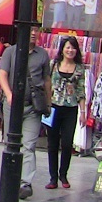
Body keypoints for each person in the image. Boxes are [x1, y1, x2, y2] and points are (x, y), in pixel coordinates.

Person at [0, 26, 51, 200]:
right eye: (31, 30)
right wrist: (9, 94)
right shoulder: (10, 52)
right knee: (11, 142)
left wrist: (48, 103)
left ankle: (25, 183)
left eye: (37, 30)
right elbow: (3, 75)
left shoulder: (42, 55)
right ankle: (10, 179)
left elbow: (47, 81)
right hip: (12, 105)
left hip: (33, 106)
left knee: (29, 144)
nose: (34, 33)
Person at [44, 36, 87, 190]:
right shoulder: (53, 65)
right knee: (52, 144)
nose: (70, 50)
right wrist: (46, 105)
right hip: (53, 108)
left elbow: (81, 92)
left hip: (71, 109)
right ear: (62, 49)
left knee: (67, 143)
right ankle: (53, 177)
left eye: (73, 47)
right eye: (68, 47)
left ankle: (63, 174)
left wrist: (83, 112)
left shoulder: (80, 68)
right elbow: (46, 85)